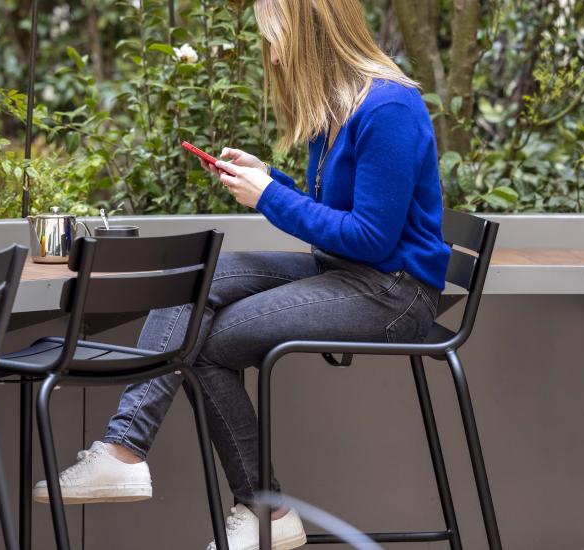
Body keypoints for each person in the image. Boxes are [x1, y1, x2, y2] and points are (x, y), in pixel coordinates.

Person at [32, 0, 450, 548]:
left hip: (393, 293)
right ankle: (124, 452)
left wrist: (270, 197)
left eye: (274, 40)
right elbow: (342, 221)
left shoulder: (390, 108)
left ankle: (259, 512)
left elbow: (372, 238)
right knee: (194, 273)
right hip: (348, 272)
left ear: (312, 35)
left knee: (204, 342)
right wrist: (268, 177)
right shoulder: (339, 110)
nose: (271, 56)